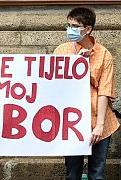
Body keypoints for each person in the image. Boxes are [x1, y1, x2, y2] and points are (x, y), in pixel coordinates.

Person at [53, 7, 120, 180]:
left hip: (99, 122)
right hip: (71, 124)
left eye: (75, 26)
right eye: (68, 25)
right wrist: (76, 64)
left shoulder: (104, 55)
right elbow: (55, 86)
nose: (70, 30)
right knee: (72, 174)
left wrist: (99, 126)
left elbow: (104, 91)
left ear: (88, 29)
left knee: (97, 175)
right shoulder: (61, 51)